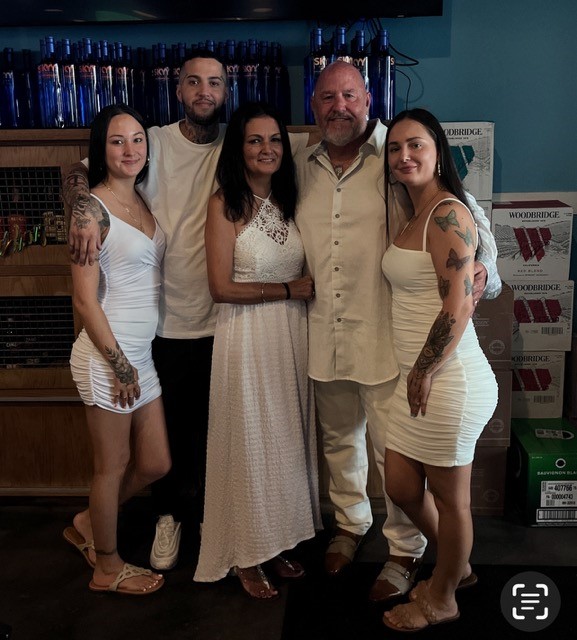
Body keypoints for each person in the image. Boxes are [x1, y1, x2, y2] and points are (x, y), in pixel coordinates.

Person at [63, 51, 314, 572]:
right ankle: (167, 518)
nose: (205, 91)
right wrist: (81, 211)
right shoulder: (149, 139)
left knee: (217, 434)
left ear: (227, 91)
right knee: (170, 438)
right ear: (178, 89)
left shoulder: (244, 140)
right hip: (163, 323)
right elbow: (80, 170)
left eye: (215, 83)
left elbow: (312, 152)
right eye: (194, 82)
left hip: (228, 324)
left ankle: (219, 524)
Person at [293, 60, 501, 602]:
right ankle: (350, 523)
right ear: (313, 105)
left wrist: (481, 274)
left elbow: (471, 229)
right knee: (341, 442)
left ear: (368, 101)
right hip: (327, 330)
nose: (339, 106)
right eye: (327, 96)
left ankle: (405, 552)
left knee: (395, 461)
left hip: (396, 344)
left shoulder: (397, 153)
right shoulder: (300, 162)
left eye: (350, 95)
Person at [193, 102, 322, 599]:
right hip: (245, 335)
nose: (267, 149)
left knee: (285, 441)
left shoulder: (292, 200)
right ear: (239, 148)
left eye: (274, 140)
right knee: (250, 440)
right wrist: (289, 289)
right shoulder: (224, 203)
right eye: (255, 140)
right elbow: (220, 287)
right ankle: (245, 553)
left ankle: (278, 538)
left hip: (290, 334)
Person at [380, 108, 498, 631]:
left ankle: (444, 594)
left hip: (448, 378)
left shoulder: (448, 212)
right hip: (418, 376)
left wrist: (425, 370)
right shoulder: (412, 212)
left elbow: (458, 307)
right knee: (402, 485)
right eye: (395, 148)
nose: (404, 156)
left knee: (452, 502)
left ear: (437, 152)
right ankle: (458, 563)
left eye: (416, 146)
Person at [64, 104, 170, 595]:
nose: (129, 150)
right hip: (108, 353)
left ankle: (90, 519)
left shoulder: (142, 200)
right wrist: (120, 366)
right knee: (112, 466)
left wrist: (134, 364)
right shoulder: (91, 207)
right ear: (100, 149)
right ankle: (105, 567)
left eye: (137, 140)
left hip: (139, 354)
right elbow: (85, 300)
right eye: (116, 141)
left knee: (155, 464)